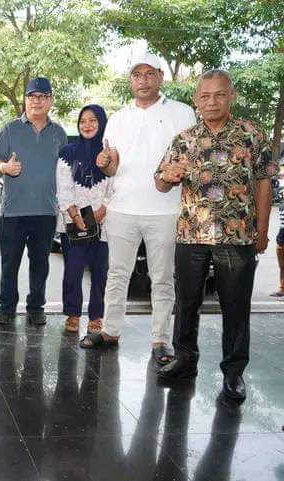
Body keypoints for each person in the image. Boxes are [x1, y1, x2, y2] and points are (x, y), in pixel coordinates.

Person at [155, 70, 276, 404]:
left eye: (219, 95)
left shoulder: (251, 134)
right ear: (196, 100)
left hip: (237, 237)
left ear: (232, 96)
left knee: (235, 307)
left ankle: (234, 372)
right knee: (187, 302)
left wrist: (262, 230)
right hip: (191, 235)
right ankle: (184, 360)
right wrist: (168, 176)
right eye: (205, 96)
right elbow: (161, 182)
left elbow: (264, 182)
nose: (212, 102)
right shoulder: (184, 139)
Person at [80, 53, 196, 365]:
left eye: (148, 74)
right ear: (130, 80)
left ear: (160, 76)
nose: (142, 80)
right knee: (117, 274)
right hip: (122, 209)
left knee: (162, 279)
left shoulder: (182, 113)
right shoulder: (118, 118)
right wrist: (104, 163)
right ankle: (110, 330)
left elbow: (190, 158)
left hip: (165, 210)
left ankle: (160, 339)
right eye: (136, 75)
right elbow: (112, 166)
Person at [0, 77, 68, 326]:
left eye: (43, 97)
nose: (37, 101)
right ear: (25, 100)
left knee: (40, 265)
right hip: (13, 211)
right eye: (32, 96)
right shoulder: (10, 129)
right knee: (9, 264)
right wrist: (5, 167)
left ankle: (36, 307)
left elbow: (66, 171)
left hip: (45, 210)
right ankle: (6, 307)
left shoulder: (58, 133)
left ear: (50, 101)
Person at [56, 105, 111, 334]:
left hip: (104, 222)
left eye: (93, 120)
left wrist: (102, 211)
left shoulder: (110, 153)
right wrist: (74, 214)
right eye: (82, 121)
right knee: (73, 269)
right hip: (73, 221)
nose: (87, 125)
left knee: (100, 272)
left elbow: (116, 184)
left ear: (102, 123)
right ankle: (73, 314)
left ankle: (96, 316)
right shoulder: (67, 152)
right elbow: (63, 186)